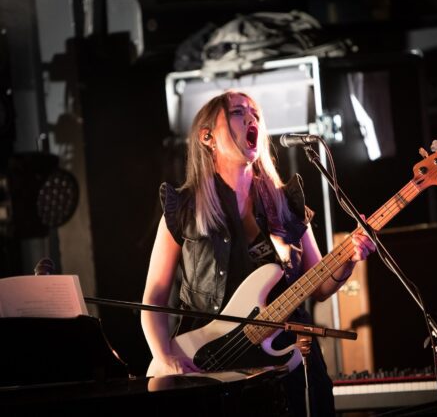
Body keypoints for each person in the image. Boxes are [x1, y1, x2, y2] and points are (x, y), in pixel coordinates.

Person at [141, 90, 375, 416]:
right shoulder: (183, 210)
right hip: (210, 366)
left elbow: (319, 285)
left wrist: (348, 260)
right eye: (238, 112)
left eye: (255, 113)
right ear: (207, 137)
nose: (251, 117)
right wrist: (164, 357)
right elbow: (153, 298)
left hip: (287, 365)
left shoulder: (287, 204)